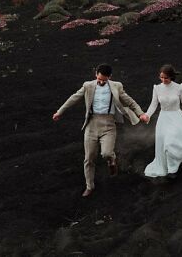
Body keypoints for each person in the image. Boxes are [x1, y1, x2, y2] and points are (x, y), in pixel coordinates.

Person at [52, 64, 149, 197]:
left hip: (108, 125)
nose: (101, 82)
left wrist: (141, 113)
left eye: (104, 80)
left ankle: (111, 160)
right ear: (96, 74)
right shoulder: (88, 86)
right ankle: (89, 186)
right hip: (91, 124)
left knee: (106, 153)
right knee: (89, 158)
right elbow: (73, 98)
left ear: (110, 77)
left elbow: (129, 101)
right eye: (99, 79)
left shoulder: (116, 86)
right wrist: (59, 112)